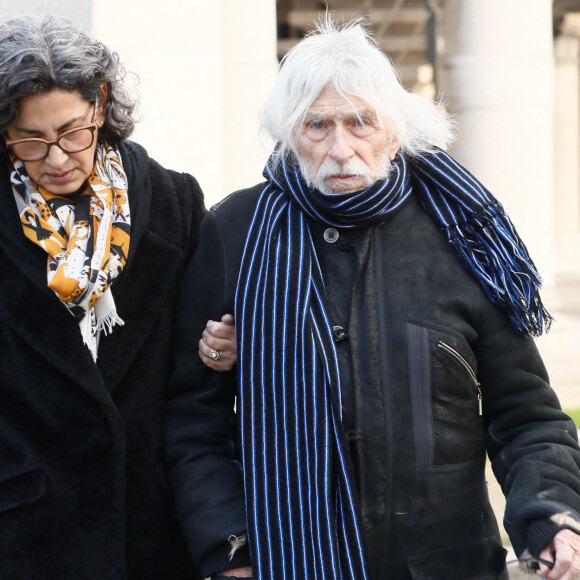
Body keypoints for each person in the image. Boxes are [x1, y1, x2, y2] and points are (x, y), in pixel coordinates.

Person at [165, 18, 580, 580]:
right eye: (317, 126)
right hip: (286, 564)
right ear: (288, 133)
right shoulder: (233, 232)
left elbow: (526, 416)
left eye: (360, 122)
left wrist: (551, 517)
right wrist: (229, 550)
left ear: (394, 129)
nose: (341, 148)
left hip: (446, 564)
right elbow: (195, 422)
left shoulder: (458, 233)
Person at [0, 13, 236, 579]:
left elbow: (202, 379)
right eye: (30, 141)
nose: (56, 159)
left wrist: (223, 349)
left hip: (154, 531)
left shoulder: (177, 204)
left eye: (71, 132)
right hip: (27, 535)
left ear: (101, 106)